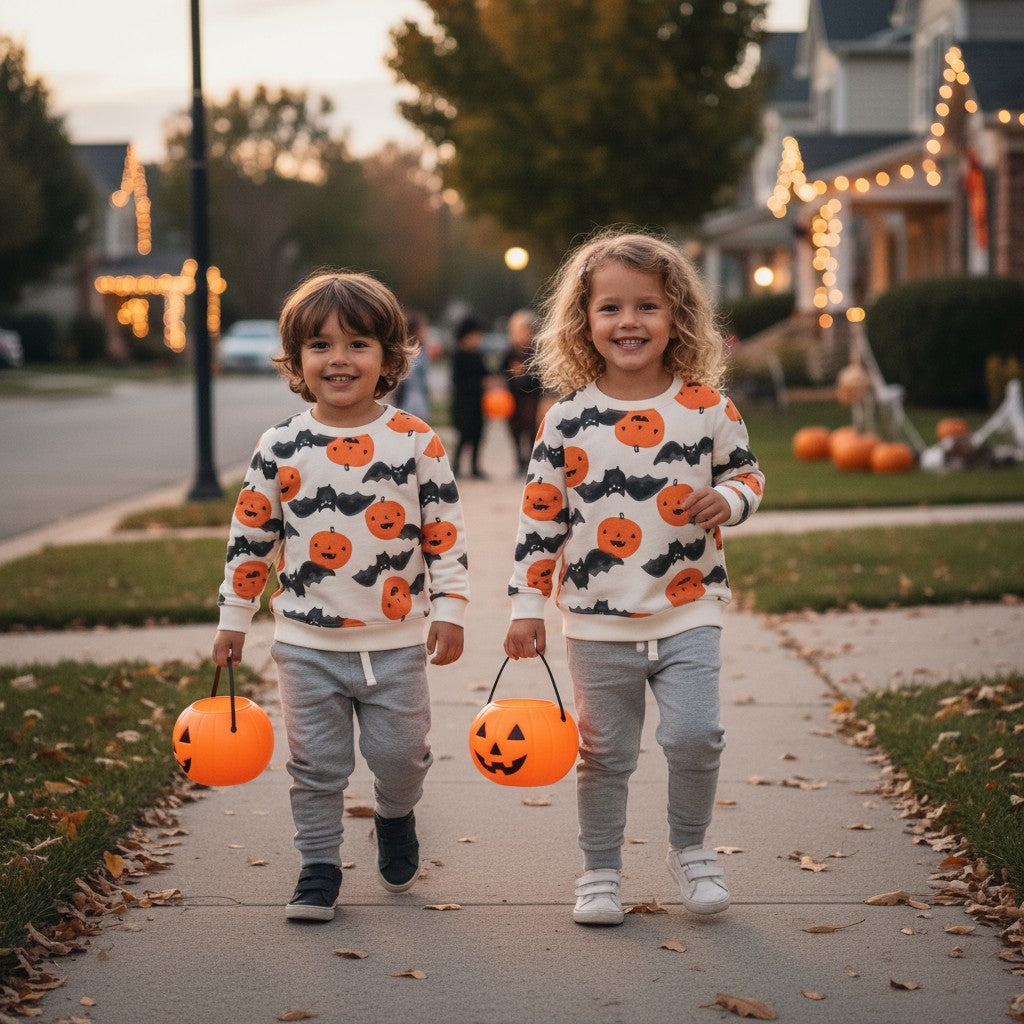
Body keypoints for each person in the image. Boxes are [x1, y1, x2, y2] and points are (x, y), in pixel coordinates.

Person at [503, 229, 764, 926]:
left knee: (694, 736)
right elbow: (540, 519)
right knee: (606, 755)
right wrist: (526, 604)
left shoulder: (707, 408)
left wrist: (731, 500)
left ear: (676, 315)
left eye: (646, 306)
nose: (628, 322)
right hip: (596, 618)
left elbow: (746, 473)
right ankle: (600, 870)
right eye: (610, 308)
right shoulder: (565, 419)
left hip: (688, 606)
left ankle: (691, 848)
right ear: (584, 322)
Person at [212, 271, 469, 923]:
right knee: (316, 766)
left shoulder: (414, 440)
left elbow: (443, 532)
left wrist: (452, 608)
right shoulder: (280, 446)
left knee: (399, 757)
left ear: (388, 356)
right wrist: (233, 618)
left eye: (357, 343)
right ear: (297, 360)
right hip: (307, 643)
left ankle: (395, 812)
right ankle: (318, 868)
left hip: (396, 643)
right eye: (320, 346)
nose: (338, 359)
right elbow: (252, 538)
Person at [499, 309, 542, 473]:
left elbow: (540, 376)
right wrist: (510, 375)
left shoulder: (536, 352)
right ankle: (519, 462)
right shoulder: (509, 352)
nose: (525, 335)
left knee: (532, 431)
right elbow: (500, 373)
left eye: (528, 331)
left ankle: (532, 461)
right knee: (515, 431)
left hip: (531, 397)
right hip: (513, 398)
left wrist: (524, 373)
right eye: (520, 331)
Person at [449, 315, 489, 479]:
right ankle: (456, 467)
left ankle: (474, 467)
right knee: (463, 437)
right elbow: (458, 382)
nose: (478, 340)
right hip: (463, 404)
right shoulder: (458, 356)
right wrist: (480, 384)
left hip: (478, 404)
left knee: (478, 436)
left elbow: (485, 373)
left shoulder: (478, 355)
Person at [391, 310, 431, 421]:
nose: (426, 332)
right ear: (416, 331)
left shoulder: (423, 350)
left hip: (419, 395)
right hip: (409, 397)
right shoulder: (408, 353)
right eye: (423, 329)